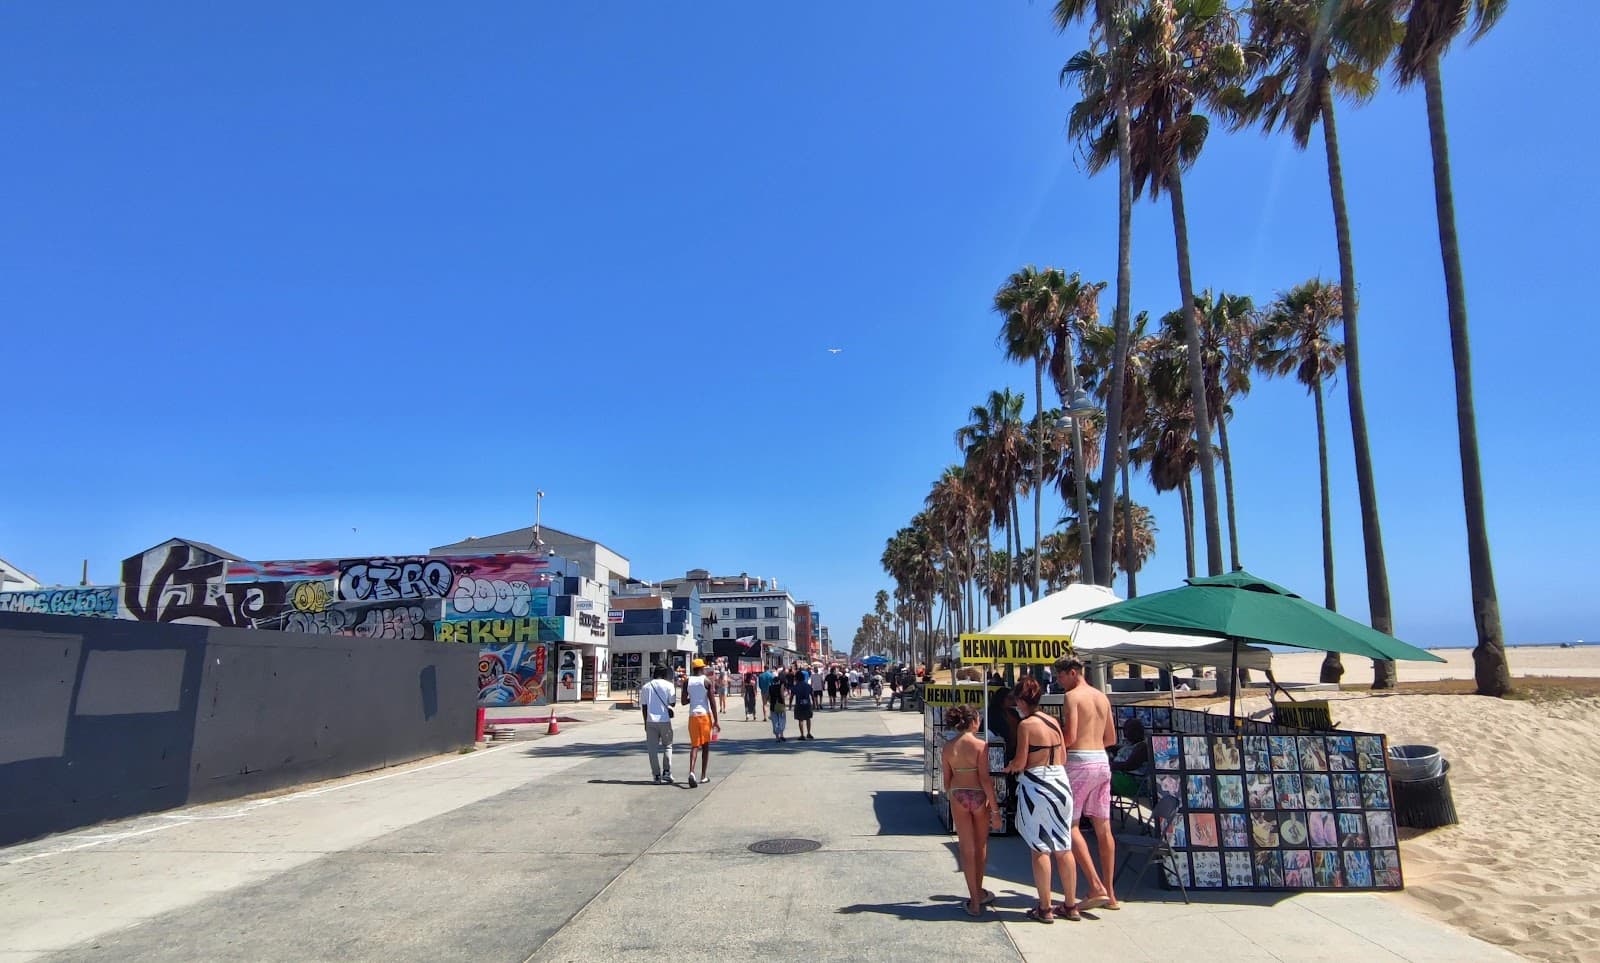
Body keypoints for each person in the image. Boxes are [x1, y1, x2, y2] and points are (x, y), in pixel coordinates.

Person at [1004, 676, 1079, 922]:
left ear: (1021, 701)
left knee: (1040, 849)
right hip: (1061, 782)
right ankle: (1070, 904)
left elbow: (1021, 760)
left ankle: (1045, 907)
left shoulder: (1026, 725)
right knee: (1064, 847)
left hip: (1037, 786)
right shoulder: (1053, 721)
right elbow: (1065, 755)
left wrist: (1010, 768)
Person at [1058, 656, 1119, 912]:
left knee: (1069, 824)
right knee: (1103, 826)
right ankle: (1111, 893)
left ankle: (1095, 885)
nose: (1059, 682)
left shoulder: (1072, 698)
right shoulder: (1101, 697)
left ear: (1073, 673)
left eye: (1060, 676)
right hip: (1102, 762)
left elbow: (1070, 737)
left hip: (1079, 762)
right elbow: (1111, 737)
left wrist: (1056, 737)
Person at [941, 703, 1001, 917]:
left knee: (966, 847)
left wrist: (952, 793)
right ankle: (979, 890)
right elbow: (985, 779)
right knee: (980, 844)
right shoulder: (981, 746)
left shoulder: (948, 747)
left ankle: (974, 900)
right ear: (973, 722)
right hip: (978, 794)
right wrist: (995, 810)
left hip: (958, 793)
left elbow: (946, 780)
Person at [679, 658, 720, 787]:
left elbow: (684, 701)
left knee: (695, 745)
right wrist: (716, 720)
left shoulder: (687, 682)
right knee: (706, 746)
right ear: (702, 668)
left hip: (692, 717)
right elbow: (712, 702)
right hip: (704, 716)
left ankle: (691, 771)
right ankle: (703, 776)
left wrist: (693, 699)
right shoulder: (706, 681)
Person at [639, 665, 677, 785]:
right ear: (665, 674)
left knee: (652, 750)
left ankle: (656, 775)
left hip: (650, 721)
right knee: (667, 746)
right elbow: (673, 703)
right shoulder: (669, 685)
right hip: (664, 720)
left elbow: (644, 707)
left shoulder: (646, 687)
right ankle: (666, 772)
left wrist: (645, 722)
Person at [1110, 717, 1151, 798]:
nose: (1125, 734)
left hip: (1133, 782)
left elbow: (1129, 765)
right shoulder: (1132, 744)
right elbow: (1118, 749)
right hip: (1122, 777)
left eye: (1128, 731)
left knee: (1097, 778)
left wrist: (1108, 765)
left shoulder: (1142, 747)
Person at [791, 665, 816, 740]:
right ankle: (808, 733)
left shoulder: (795, 686)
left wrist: (789, 705)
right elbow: (812, 695)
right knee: (808, 718)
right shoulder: (808, 686)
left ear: (796, 678)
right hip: (807, 704)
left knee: (800, 719)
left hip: (799, 704)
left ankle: (802, 735)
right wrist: (814, 704)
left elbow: (792, 696)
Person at [768, 672, 789, 741]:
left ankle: (777, 737)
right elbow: (782, 695)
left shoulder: (770, 687)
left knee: (775, 721)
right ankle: (782, 734)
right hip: (780, 704)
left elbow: (769, 697)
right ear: (779, 681)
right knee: (782, 719)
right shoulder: (780, 686)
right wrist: (784, 703)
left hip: (773, 705)